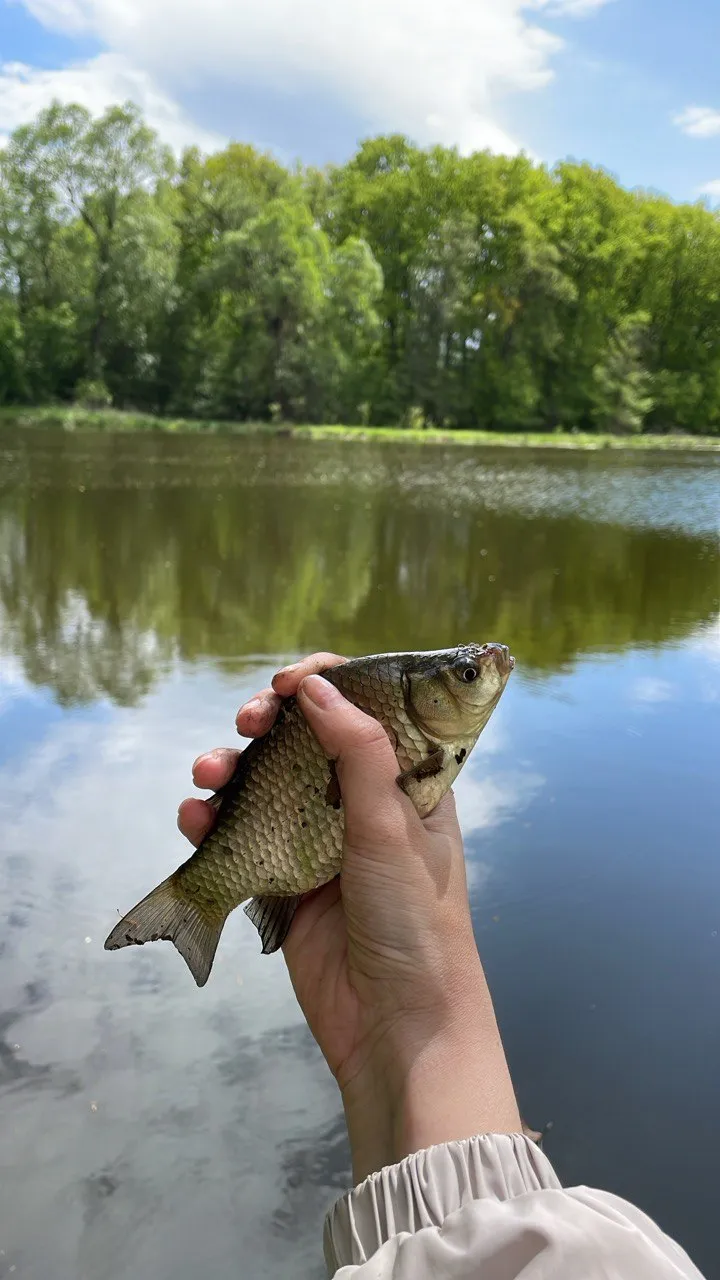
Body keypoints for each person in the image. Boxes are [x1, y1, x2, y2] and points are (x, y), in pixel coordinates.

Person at [178, 652, 704, 1279]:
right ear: (421, 693)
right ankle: (199, 898)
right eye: (465, 674)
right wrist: (411, 1014)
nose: (492, 669)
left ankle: (202, 897)